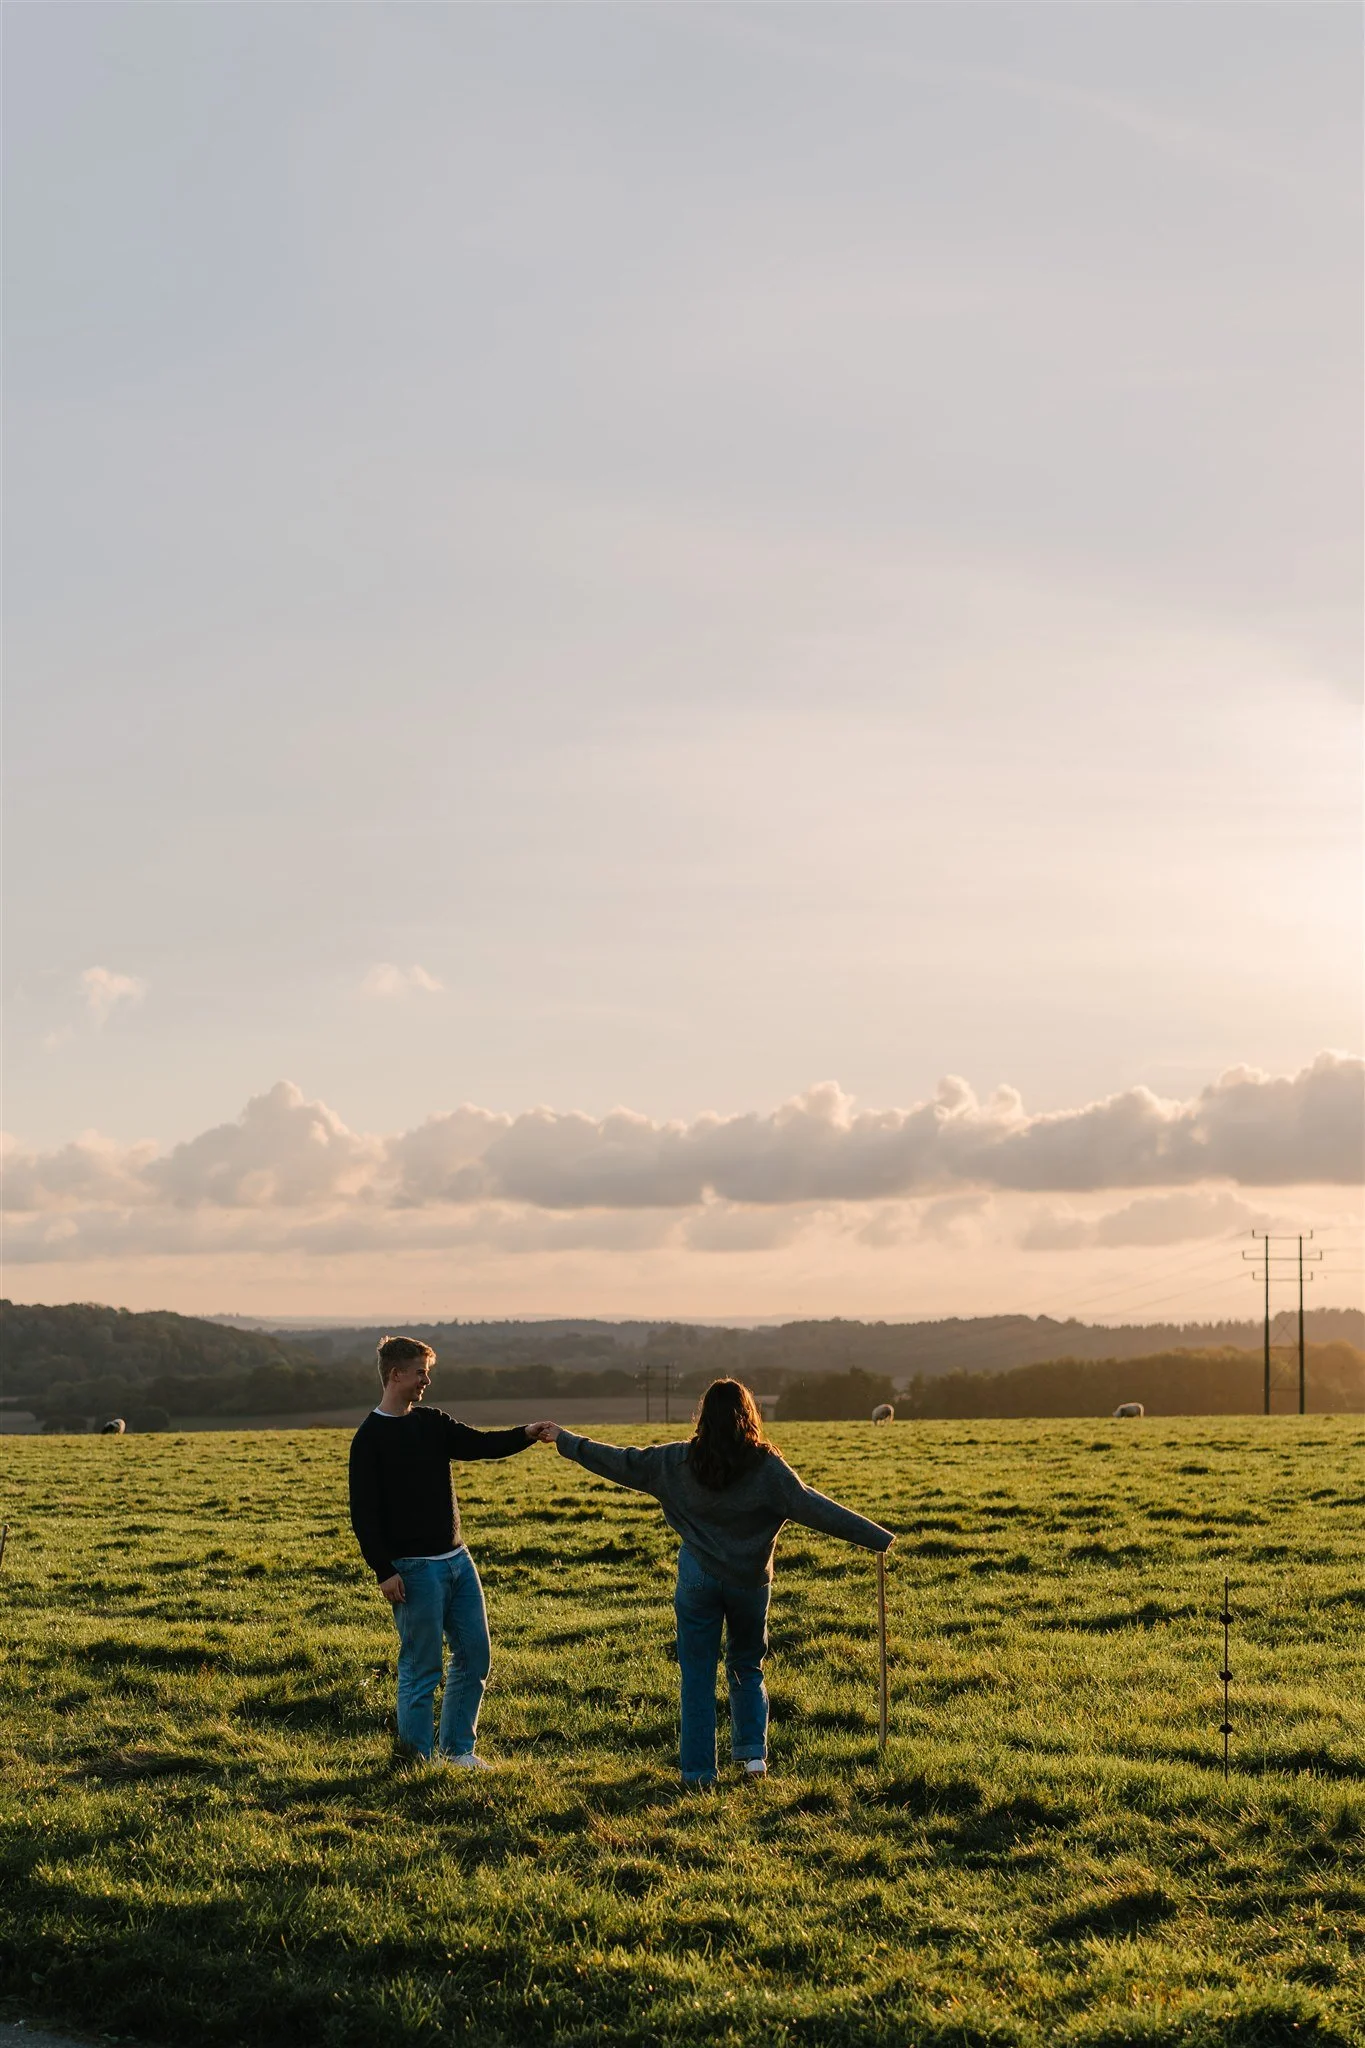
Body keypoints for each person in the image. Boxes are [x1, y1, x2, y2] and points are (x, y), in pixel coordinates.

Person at [531, 1380, 894, 1787]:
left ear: (703, 1415)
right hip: (750, 1582)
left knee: (697, 1675)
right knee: (746, 1665)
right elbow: (813, 1506)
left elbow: (618, 1460)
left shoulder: (674, 1461)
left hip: (697, 1580)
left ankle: (698, 1773)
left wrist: (565, 1439)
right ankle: (753, 1759)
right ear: (749, 1415)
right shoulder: (767, 1467)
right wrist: (876, 1537)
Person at [348, 1334, 551, 1767]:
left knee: (475, 1655)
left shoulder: (432, 1422)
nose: (426, 1380)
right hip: (413, 1570)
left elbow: (480, 1444)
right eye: (420, 1372)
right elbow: (364, 1515)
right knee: (422, 1670)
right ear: (395, 1374)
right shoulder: (369, 1439)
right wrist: (384, 1571)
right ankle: (416, 1761)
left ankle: (458, 1751)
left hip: (457, 1561)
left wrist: (526, 1434)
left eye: (428, 1372)